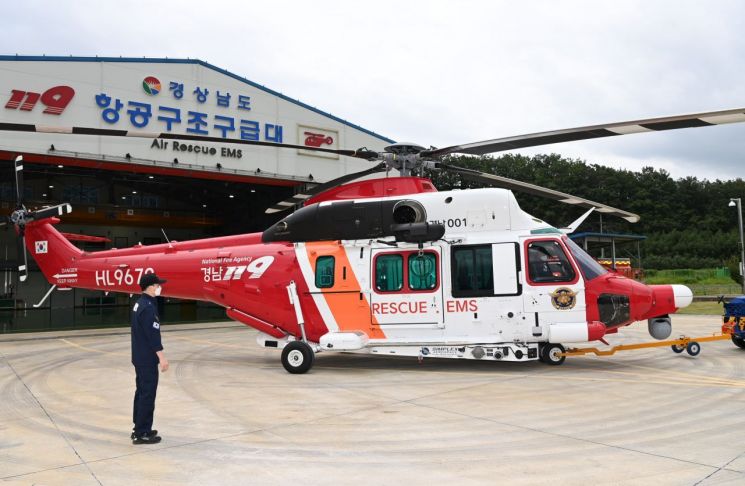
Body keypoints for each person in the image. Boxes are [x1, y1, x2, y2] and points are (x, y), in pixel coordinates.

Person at [130, 273, 169, 444]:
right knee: (147, 394)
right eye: (158, 285)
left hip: (139, 356)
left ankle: (139, 427)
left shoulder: (139, 304)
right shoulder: (148, 307)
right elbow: (153, 335)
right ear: (151, 286)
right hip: (147, 358)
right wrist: (162, 357)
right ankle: (142, 433)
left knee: (141, 392)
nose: (160, 287)